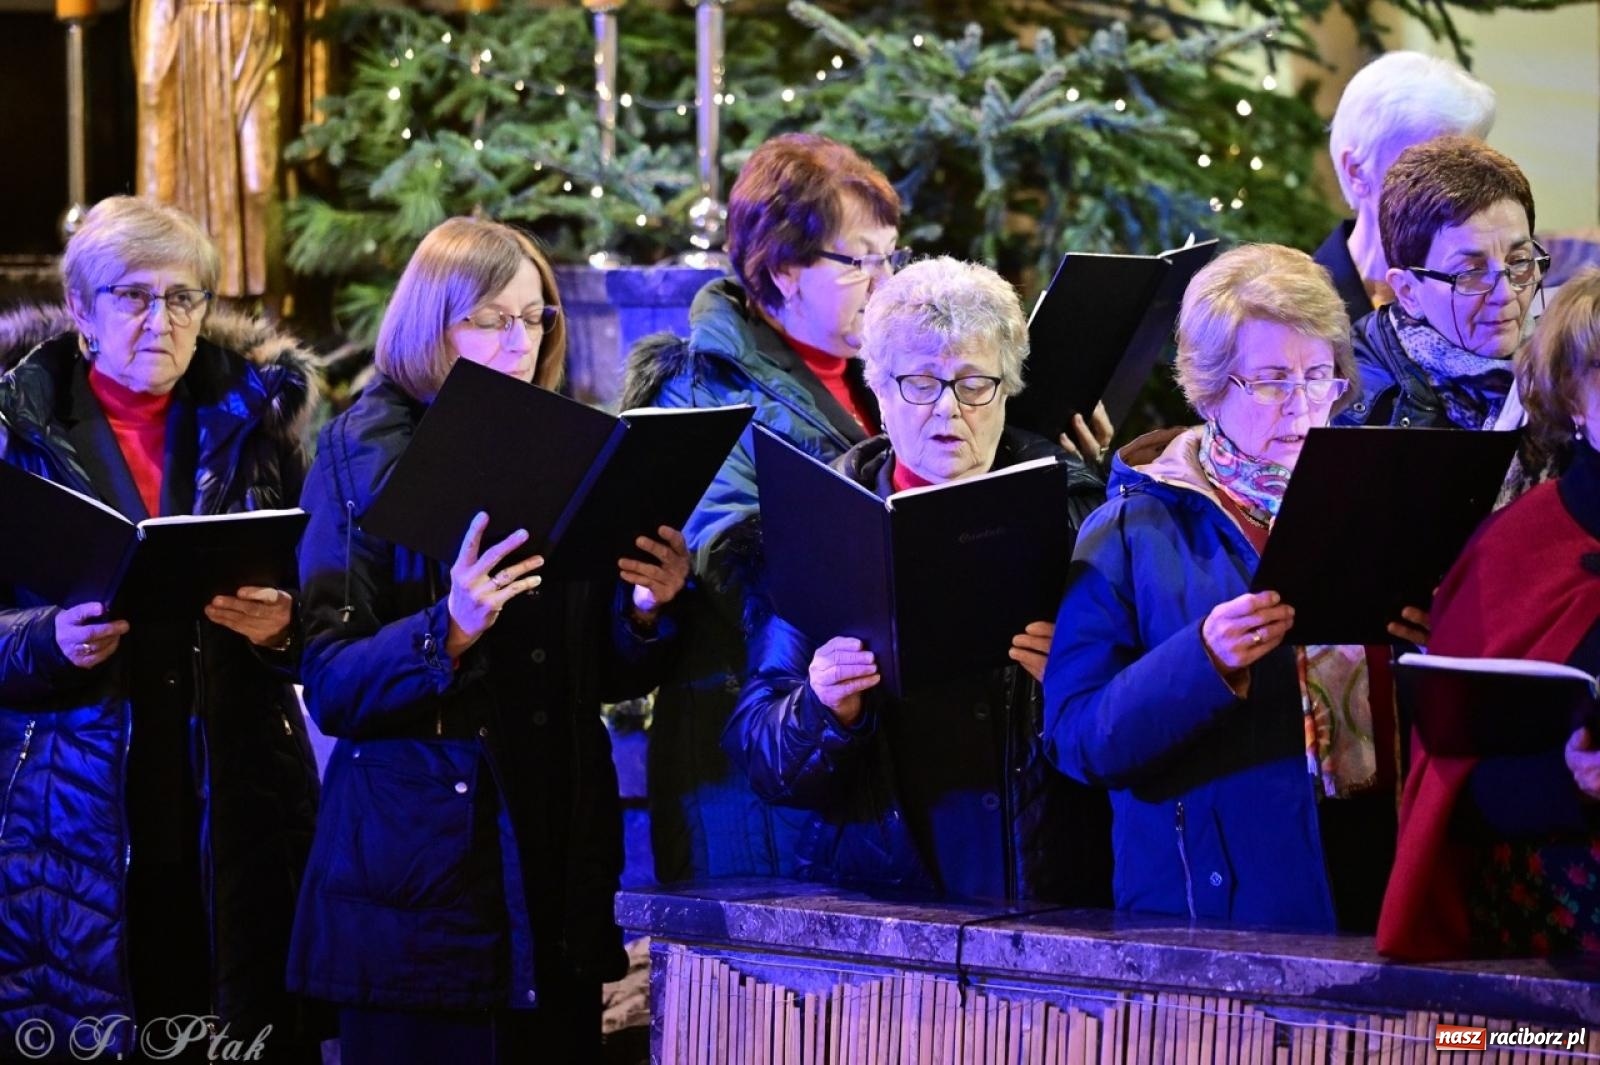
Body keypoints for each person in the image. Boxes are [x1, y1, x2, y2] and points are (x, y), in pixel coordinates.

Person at [288, 216, 690, 1064]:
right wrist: (450, 629)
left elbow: (586, 667)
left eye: (536, 316)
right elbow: (330, 681)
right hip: (424, 883)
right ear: (432, 324)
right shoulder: (361, 454)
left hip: (553, 858)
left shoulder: (560, 442)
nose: (521, 339)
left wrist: (646, 610)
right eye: (492, 318)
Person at [0, 196, 322, 1059]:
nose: (162, 320)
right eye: (133, 297)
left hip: (235, 791)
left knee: (234, 1021)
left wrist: (285, 625)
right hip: (72, 804)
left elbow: (322, 591)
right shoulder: (15, 427)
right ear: (80, 311)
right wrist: (43, 639)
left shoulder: (257, 419)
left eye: (183, 297)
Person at [1043, 244, 1426, 932]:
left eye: (1320, 378)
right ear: (1212, 386)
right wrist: (1203, 660)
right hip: (1219, 907)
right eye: (1274, 381)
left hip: (1382, 869)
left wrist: (1431, 649)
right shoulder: (1131, 525)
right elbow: (1075, 737)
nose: (1305, 407)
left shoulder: (1379, 500)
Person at [722, 256, 1111, 903]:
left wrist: (1076, 684)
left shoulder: (1082, 515)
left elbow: (1141, 724)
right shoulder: (820, 520)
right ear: (878, 391)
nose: (948, 410)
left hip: (1051, 882)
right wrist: (822, 705)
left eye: (974, 383)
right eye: (921, 383)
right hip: (887, 894)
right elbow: (761, 751)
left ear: (1007, 387)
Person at [620, 133, 904, 883]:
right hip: (746, 765)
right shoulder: (700, 390)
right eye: (859, 261)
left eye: (890, 257)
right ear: (782, 270)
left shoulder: (884, 373)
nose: (885, 282)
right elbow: (734, 561)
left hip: (853, 744)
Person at [1379, 269, 1600, 961]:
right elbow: (1452, 789)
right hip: (1552, 954)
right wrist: (1569, 779)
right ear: (1573, 398)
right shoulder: (1515, 550)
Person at [1334, 136, 1545, 432]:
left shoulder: (1567, 371)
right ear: (1408, 291)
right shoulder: (1345, 399)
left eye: (1519, 261)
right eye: (1470, 272)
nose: (1506, 294)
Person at [1316, 52, 1496, 326]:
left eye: (1468, 164)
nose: (1458, 190)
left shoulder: (1483, 289)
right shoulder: (1297, 311)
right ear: (1356, 171)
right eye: (1427, 168)